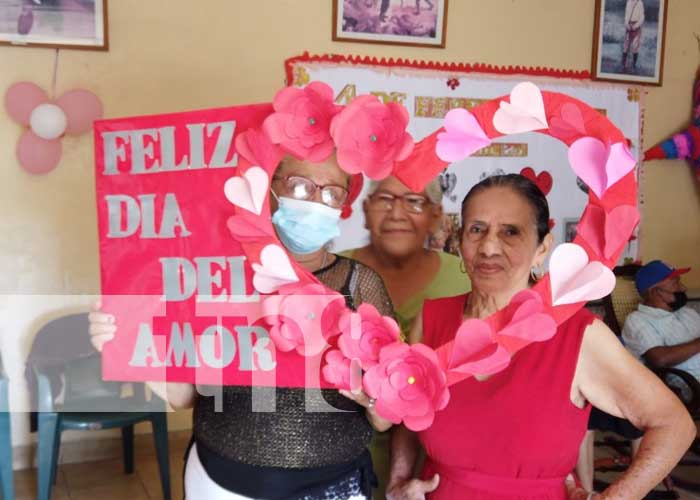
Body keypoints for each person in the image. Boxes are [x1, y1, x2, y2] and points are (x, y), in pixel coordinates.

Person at [90, 152, 396, 500]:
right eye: (299, 185)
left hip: (335, 485)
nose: (315, 201)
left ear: (344, 203)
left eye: (331, 193)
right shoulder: (219, 279)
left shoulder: (361, 285)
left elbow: (384, 418)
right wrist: (129, 346)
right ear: (270, 190)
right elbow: (185, 395)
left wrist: (373, 398)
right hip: (221, 483)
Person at [387, 174, 695, 500]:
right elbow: (409, 415)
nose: (489, 246)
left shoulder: (577, 334)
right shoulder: (432, 319)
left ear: (542, 248)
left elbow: (673, 425)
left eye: (511, 232)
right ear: (460, 240)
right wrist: (398, 481)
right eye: (477, 229)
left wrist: (616, 496)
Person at [342, 176, 470, 499]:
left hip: (435, 467)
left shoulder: (465, 275)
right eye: (385, 199)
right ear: (367, 209)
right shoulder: (336, 270)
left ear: (436, 215)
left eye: (414, 202)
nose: (396, 213)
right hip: (340, 457)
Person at [622, 260, 700, 390]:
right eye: (675, 283)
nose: (683, 288)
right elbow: (659, 359)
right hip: (690, 387)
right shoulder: (638, 320)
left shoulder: (687, 312)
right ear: (655, 292)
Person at [622, 0, 645, 72]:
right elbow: (626, 15)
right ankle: (623, 64)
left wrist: (636, 26)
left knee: (635, 46)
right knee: (626, 45)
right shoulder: (628, 2)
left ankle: (634, 64)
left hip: (636, 26)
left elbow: (642, 17)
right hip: (629, 25)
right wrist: (626, 24)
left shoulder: (640, 3)